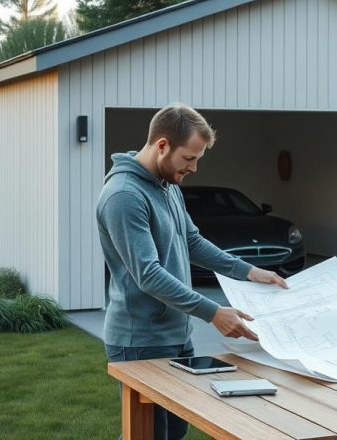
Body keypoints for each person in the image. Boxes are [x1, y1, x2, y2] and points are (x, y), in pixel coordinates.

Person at [97, 103, 288, 440]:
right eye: (189, 158)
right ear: (162, 146)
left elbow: (192, 241)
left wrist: (248, 271)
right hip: (140, 340)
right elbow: (148, 274)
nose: (194, 168)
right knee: (148, 436)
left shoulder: (167, 187)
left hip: (175, 336)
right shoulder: (124, 196)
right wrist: (212, 312)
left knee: (173, 433)